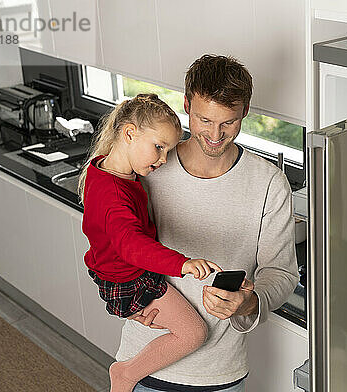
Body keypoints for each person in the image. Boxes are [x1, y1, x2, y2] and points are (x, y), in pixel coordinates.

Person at [115, 55, 299, 391]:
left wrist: (250, 302)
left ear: (244, 112)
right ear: (186, 105)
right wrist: (124, 299)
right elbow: (114, 242)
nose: (215, 134)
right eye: (204, 120)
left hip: (220, 374)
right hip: (144, 360)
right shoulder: (152, 168)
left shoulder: (269, 183)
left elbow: (281, 272)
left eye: (228, 122)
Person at [78, 93, 222, 392]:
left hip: (117, 274)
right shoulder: (114, 195)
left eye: (167, 151)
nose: (162, 159)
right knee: (193, 334)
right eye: (158, 147)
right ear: (129, 133)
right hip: (130, 279)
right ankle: (126, 373)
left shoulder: (106, 168)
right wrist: (182, 263)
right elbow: (131, 245)